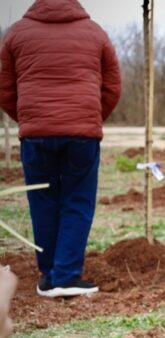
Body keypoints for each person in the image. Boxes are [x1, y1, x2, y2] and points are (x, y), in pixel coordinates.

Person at [0, 0, 121, 298]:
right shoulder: (95, 33)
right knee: (77, 200)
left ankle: (49, 276)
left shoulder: (17, 34)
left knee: (42, 200)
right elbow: (112, 87)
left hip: (36, 136)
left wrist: (31, 119)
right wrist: (88, 118)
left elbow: (5, 89)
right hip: (81, 135)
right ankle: (65, 275)